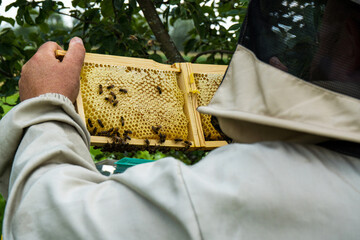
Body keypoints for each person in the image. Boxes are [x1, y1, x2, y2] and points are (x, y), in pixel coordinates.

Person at [1, 0, 360, 239]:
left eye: (324, 29)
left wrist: (47, 104)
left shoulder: (256, 186)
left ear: (352, 35)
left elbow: (43, 221)